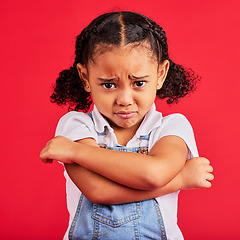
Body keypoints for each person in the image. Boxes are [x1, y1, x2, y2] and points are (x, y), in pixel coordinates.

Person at [40, 11, 214, 240]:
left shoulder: (171, 127)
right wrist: (180, 179)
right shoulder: (76, 125)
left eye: (139, 83)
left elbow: (154, 173)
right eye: (109, 85)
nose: (124, 99)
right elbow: (98, 191)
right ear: (85, 77)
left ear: (160, 74)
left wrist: (75, 151)